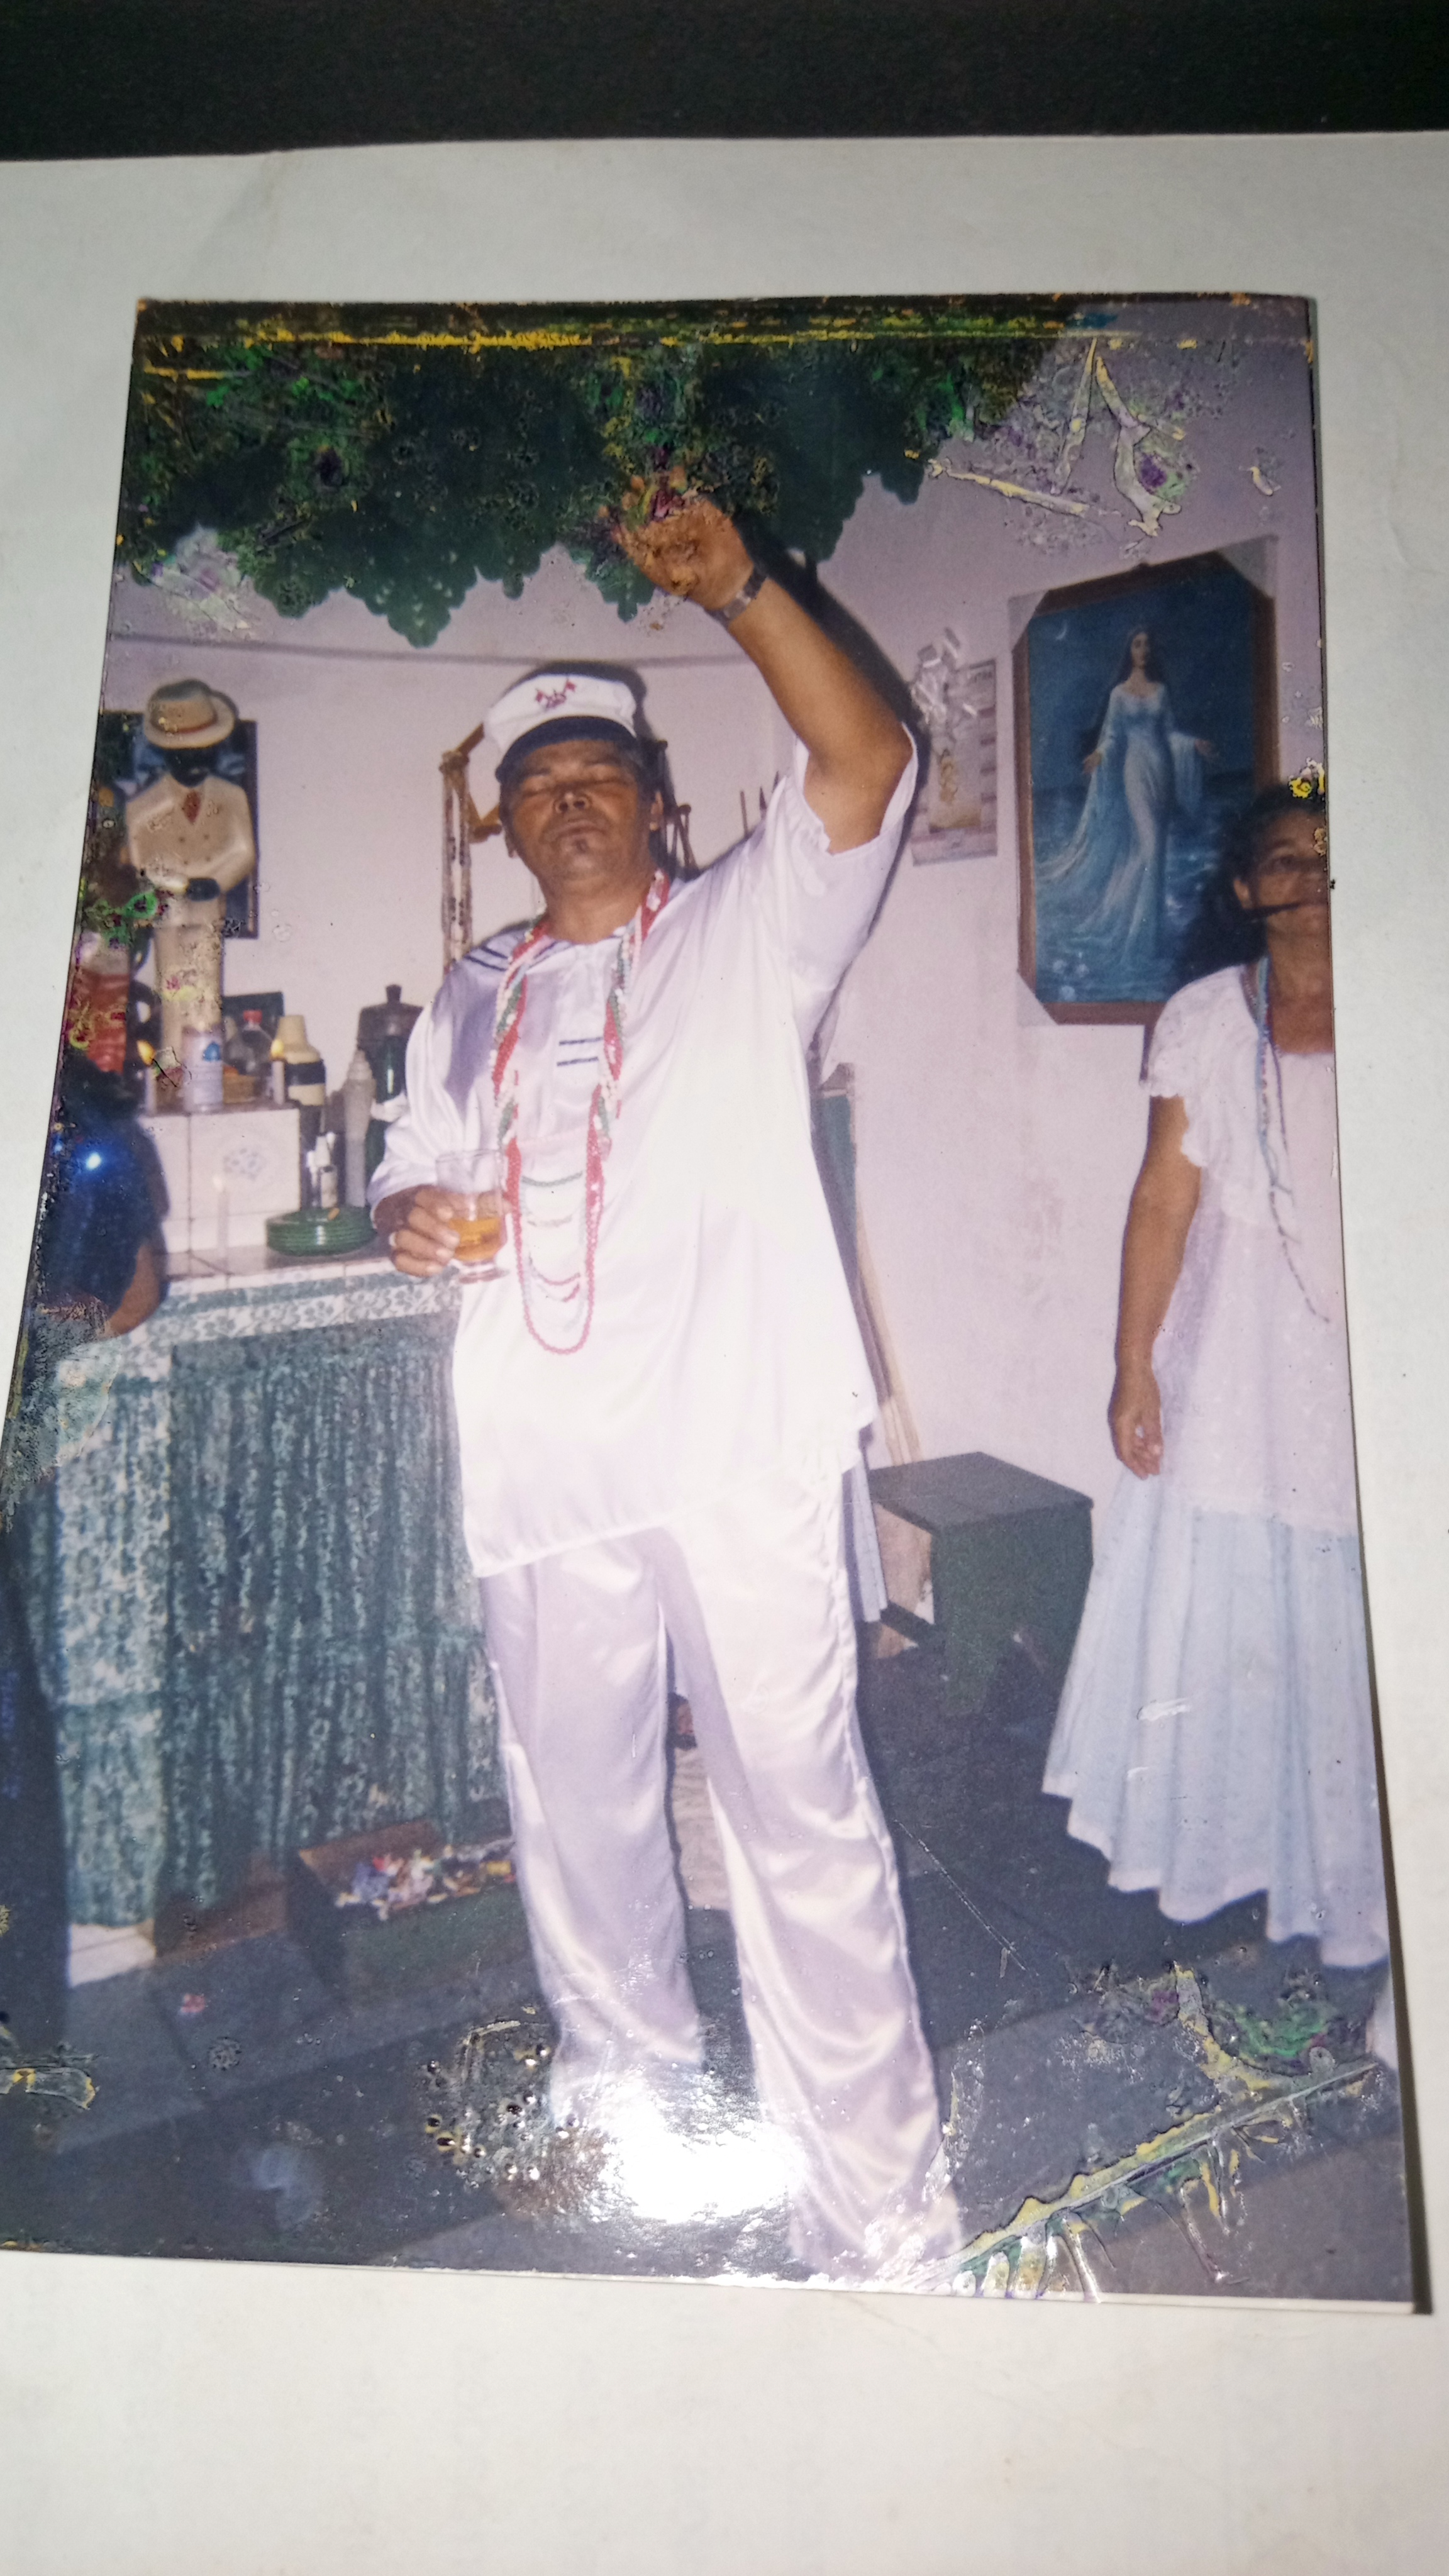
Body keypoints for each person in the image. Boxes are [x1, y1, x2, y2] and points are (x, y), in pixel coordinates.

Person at [371, 498, 960, 2281]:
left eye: (599, 772)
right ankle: (630, 2102)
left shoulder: (751, 924)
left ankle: (880, 2215)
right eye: (537, 781)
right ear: (506, 821)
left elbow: (869, 757)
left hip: (739, 1444)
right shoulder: (469, 997)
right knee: (577, 1812)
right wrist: (409, 1216)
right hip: (543, 1462)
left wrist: (745, 591)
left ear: (651, 799)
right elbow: (416, 1172)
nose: (570, 798)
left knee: (800, 1813)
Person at [1043, 784, 1393, 2041]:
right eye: (1282, 859)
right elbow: (1160, 1201)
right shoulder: (1202, 1017)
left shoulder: (1415, 996)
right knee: (1248, 1604)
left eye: (1327, 855)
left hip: (1377, 1346)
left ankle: (1372, 1897)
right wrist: (1131, 1365)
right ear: (1245, 890)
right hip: (1237, 1355)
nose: (1306, 875)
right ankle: (1251, 1869)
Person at [1040, 626, 1211, 969]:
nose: (1143, 650)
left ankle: (1149, 940)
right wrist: (1099, 755)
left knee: (1154, 853)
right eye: (1137, 644)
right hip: (1134, 771)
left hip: (1161, 770)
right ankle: (1127, 928)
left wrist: (1192, 744)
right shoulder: (1118, 695)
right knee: (1148, 848)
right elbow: (1113, 736)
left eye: (1148, 645)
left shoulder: (1161, 692)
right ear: (1129, 650)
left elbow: (1169, 733)